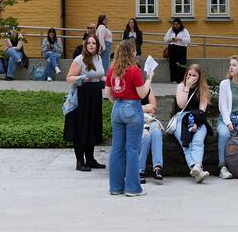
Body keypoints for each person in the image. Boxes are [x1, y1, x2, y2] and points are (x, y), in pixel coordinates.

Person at [106, 39, 154, 197]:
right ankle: (132, 188)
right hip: (132, 108)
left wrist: (119, 102)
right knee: (133, 149)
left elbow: (108, 94)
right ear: (131, 52)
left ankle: (115, 187)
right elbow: (142, 93)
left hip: (117, 109)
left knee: (117, 149)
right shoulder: (134, 70)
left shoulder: (112, 69)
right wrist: (149, 79)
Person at [64, 34, 106, 171]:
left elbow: (99, 75)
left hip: (95, 97)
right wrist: (81, 78)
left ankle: (91, 159)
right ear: (85, 45)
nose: (91, 45)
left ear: (98, 45)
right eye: (89, 43)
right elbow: (69, 78)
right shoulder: (79, 59)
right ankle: (80, 161)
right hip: (82, 98)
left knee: (92, 127)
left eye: (94, 43)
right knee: (82, 128)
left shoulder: (99, 58)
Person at [169, 63, 212, 183]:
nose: (191, 77)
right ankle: (196, 167)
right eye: (189, 75)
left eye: (194, 75)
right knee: (186, 142)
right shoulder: (181, 86)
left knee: (198, 141)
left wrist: (196, 124)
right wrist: (187, 87)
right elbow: (181, 105)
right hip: (181, 118)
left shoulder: (203, 89)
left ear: (199, 77)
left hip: (197, 118)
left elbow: (202, 110)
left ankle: (196, 169)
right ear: (186, 75)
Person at [138, 87, 166, 185]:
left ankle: (157, 168)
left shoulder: (147, 88)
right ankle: (139, 171)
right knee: (146, 136)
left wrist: (141, 108)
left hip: (150, 119)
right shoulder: (129, 87)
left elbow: (153, 108)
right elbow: (130, 107)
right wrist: (146, 107)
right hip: (136, 120)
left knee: (157, 132)